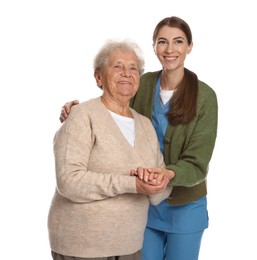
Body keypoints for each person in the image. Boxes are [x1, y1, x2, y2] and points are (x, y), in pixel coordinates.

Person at [59, 16, 218, 260]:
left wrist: (168, 174)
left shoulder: (205, 96)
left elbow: (198, 162)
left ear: (189, 46)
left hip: (186, 205)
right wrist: (77, 109)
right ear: (154, 47)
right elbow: (113, 107)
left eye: (178, 41)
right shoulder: (141, 83)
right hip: (143, 203)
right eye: (162, 42)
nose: (170, 49)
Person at [48, 39, 173, 260]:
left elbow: (159, 192)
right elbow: (69, 181)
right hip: (82, 247)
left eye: (133, 68)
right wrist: (132, 183)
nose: (127, 73)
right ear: (98, 77)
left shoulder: (145, 125)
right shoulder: (81, 116)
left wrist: (157, 183)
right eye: (117, 66)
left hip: (130, 246)